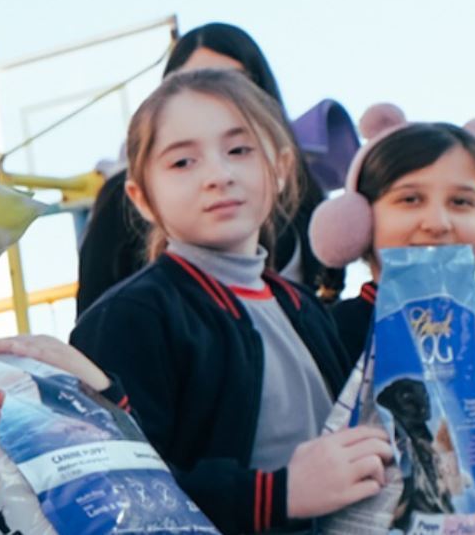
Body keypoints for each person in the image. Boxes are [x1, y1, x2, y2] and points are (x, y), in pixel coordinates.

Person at [71, 69, 387, 533]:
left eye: (239, 150)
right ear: (141, 197)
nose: (218, 175)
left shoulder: (302, 308)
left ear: (279, 169)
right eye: (182, 163)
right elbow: (120, 493)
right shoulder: (131, 318)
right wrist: (278, 494)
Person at [307, 107, 475, 509]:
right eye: (410, 199)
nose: (437, 222)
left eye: (461, 202)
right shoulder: (330, 335)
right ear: (360, 219)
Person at [77, 23, 334, 312]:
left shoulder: (305, 196)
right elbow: (93, 314)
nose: (208, 95)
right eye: (189, 81)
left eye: (230, 81)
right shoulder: (122, 206)